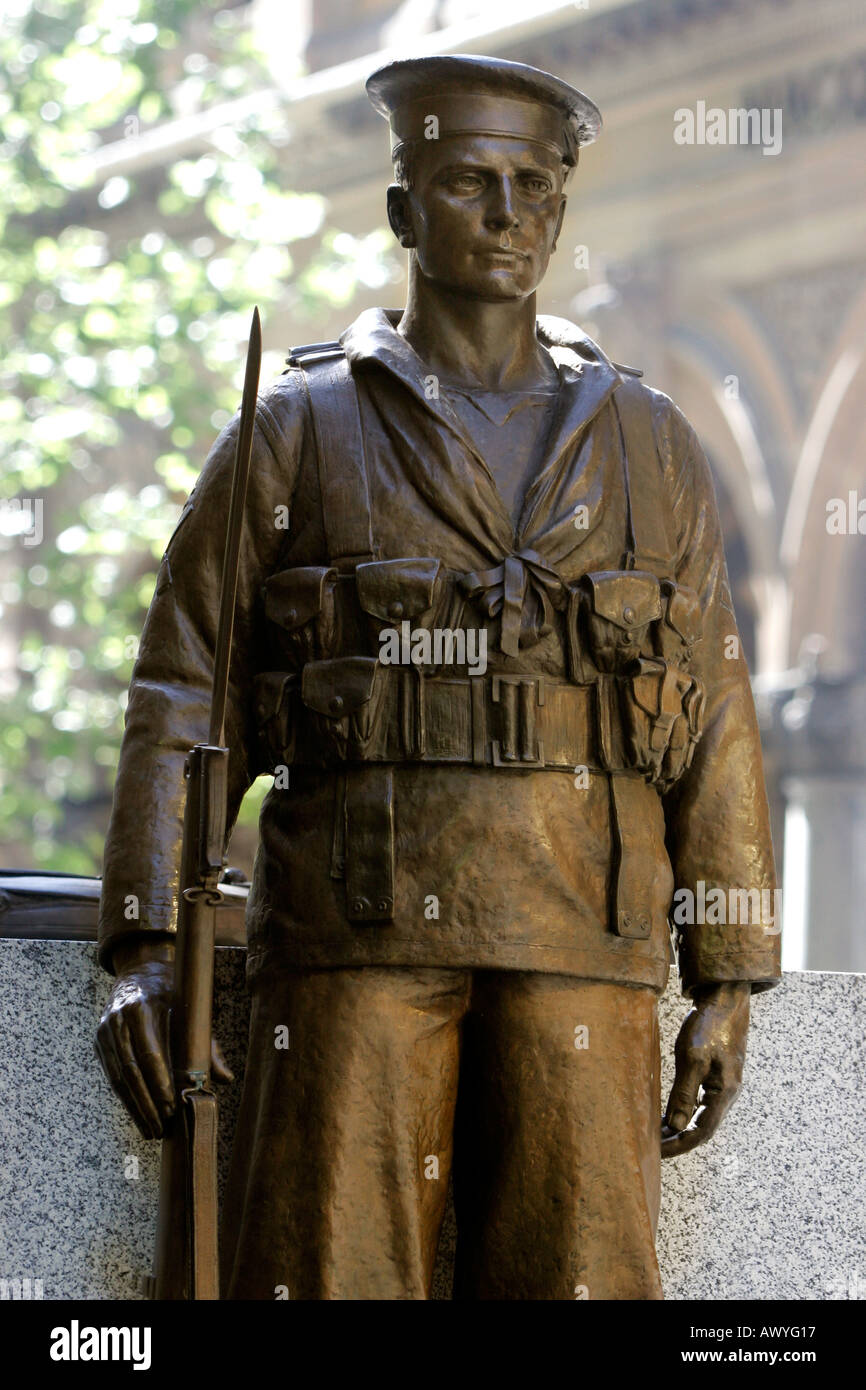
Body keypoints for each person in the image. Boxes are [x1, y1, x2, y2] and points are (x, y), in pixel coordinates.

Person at [96, 54, 780, 1300]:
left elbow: (716, 707)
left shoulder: (649, 444)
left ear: (560, 212)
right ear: (406, 210)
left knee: (578, 1278)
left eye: (534, 185)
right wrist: (144, 941)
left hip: (586, 927)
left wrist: (727, 975)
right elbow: (184, 685)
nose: (509, 212)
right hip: (355, 930)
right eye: (469, 181)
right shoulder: (296, 431)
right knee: (327, 1270)